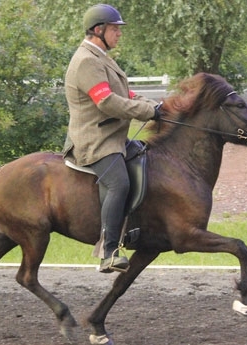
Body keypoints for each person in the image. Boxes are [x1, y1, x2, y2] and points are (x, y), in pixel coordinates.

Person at [63, 4, 162, 273]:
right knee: (118, 184)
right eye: (115, 29)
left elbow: (124, 94)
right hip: (95, 140)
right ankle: (109, 252)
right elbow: (106, 101)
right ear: (98, 30)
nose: (119, 34)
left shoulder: (101, 57)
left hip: (113, 137)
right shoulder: (86, 61)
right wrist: (148, 111)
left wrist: (158, 106)